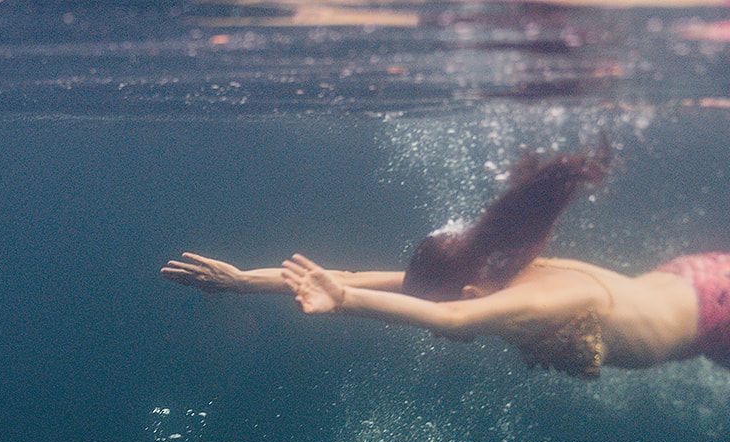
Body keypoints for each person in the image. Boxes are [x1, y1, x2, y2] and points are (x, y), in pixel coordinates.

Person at [161, 144, 730, 379]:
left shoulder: (537, 298)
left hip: (716, 312)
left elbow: (446, 316)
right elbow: (345, 275)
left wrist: (347, 302)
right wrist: (242, 282)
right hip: (686, 281)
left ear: (471, 293)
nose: (430, 328)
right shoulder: (493, 269)